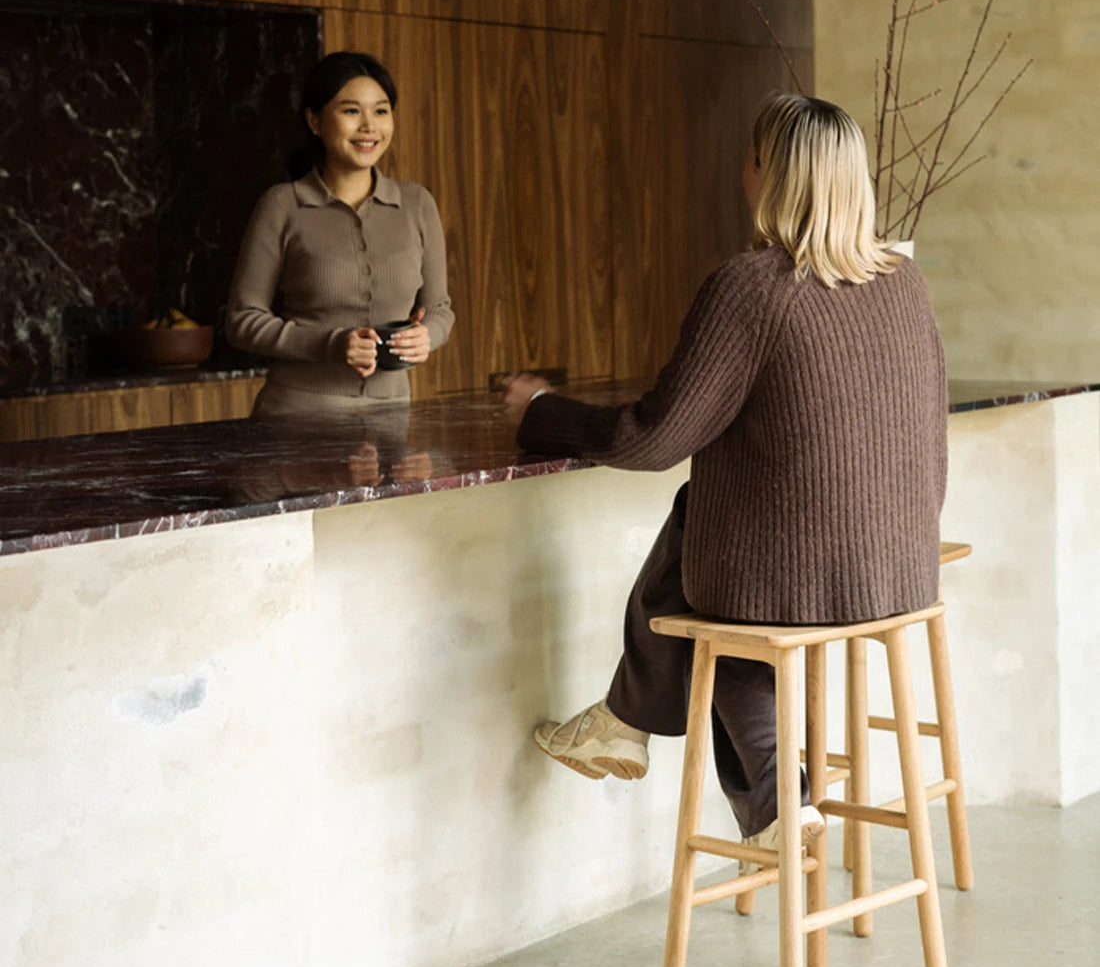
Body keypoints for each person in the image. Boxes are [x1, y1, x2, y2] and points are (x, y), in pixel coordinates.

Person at [501, 93, 947, 866]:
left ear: (766, 173)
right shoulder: (903, 282)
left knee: (722, 592)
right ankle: (667, 743)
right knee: (707, 531)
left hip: (796, 582)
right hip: (904, 570)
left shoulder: (752, 286)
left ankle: (747, 784)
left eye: (750, 154)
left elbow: (652, 438)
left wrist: (541, 409)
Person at [227, 51, 454, 417]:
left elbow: (440, 309)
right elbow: (242, 320)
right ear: (315, 120)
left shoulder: (416, 204)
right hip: (298, 419)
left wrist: (427, 336)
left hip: (393, 415)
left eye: (381, 111)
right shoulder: (283, 204)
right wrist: (330, 344)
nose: (369, 126)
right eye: (351, 111)